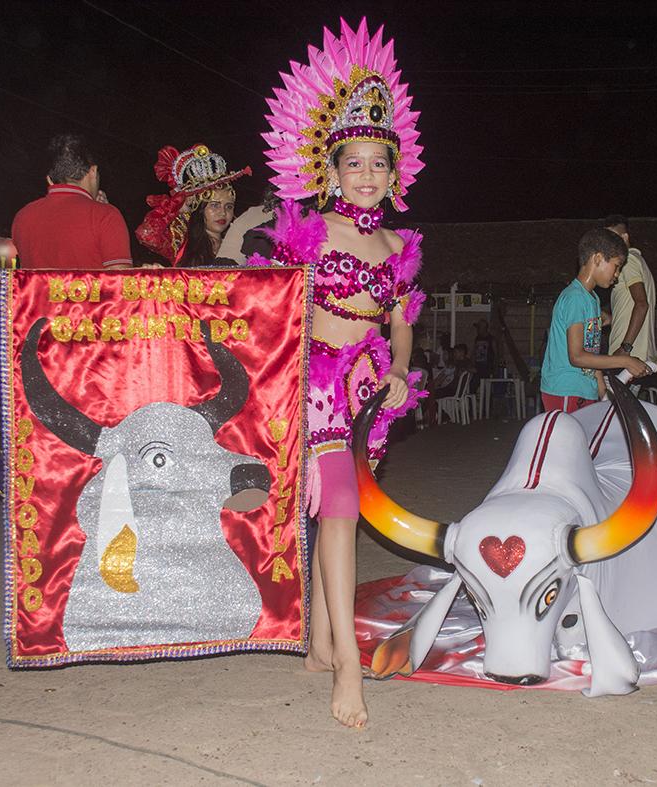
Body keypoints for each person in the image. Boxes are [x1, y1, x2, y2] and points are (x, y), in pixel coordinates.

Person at [252, 19, 427, 728]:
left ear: (394, 171)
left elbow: (402, 321)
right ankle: (347, 668)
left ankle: (320, 640)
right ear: (328, 169)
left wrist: (401, 372)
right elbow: (271, 309)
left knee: (334, 513)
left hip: (367, 388)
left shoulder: (396, 243)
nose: (365, 174)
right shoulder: (309, 232)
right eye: (352, 162)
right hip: (316, 383)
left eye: (377, 163)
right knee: (340, 515)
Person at [540, 228, 649, 413]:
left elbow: (592, 354)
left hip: (584, 390)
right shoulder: (575, 298)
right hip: (566, 389)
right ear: (598, 258)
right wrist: (626, 361)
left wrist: (603, 393)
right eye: (616, 266)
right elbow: (577, 357)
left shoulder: (593, 300)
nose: (617, 275)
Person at [12, 133, 133, 270]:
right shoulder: (107, 216)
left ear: (49, 180)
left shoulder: (22, 217)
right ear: (93, 172)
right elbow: (122, 283)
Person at [135, 143, 251, 266]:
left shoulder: (240, 243)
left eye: (229, 206)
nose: (223, 213)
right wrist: (176, 207)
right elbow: (146, 235)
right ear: (200, 208)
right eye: (214, 205)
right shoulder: (183, 242)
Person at [603, 215, 657, 362]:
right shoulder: (638, 260)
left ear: (625, 237)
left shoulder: (628, 261)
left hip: (629, 356)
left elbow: (641, 304)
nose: (608, 244)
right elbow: (633, 306)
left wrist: (625, 348)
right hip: (639, 354)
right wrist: (613, 319)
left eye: (613, 238)